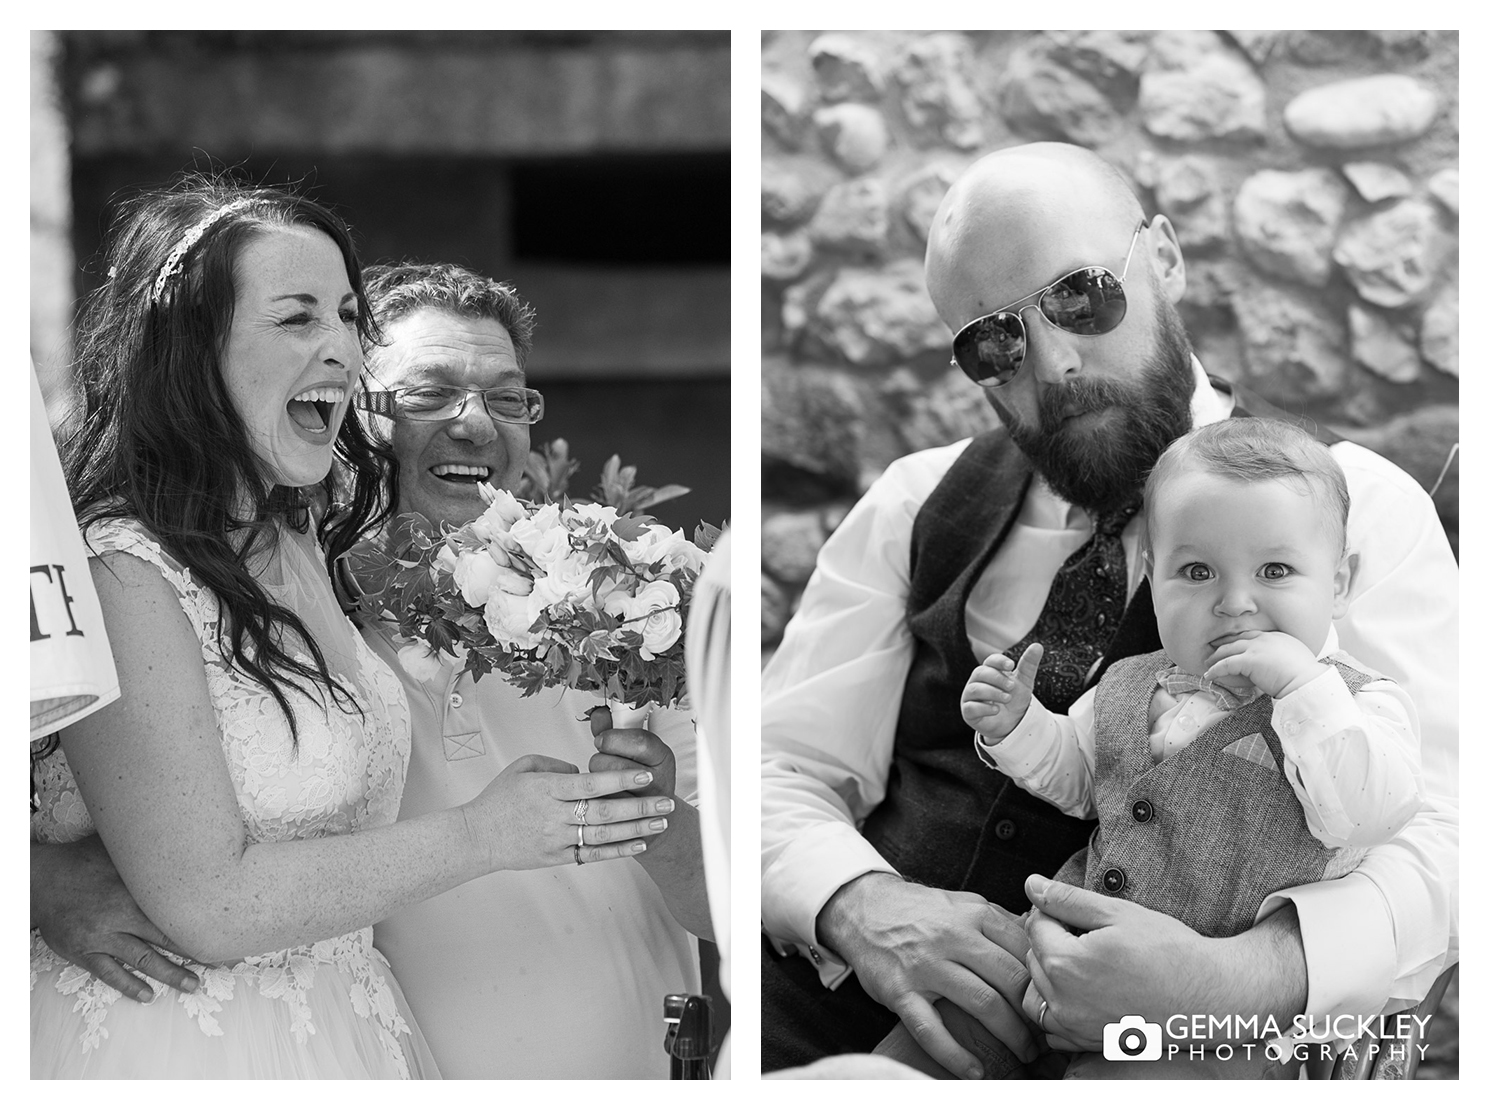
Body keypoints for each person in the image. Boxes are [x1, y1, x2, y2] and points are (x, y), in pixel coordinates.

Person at [760, 142, 1458, 1080]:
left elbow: (1449, 837)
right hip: (815, 1019)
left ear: (1162, 257)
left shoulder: (1350, 506)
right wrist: (855, 902)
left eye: (1080, 296)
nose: (1052, 362)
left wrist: (1230, 983)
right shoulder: (913, 502)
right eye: (992, 342)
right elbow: (776, 765)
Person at [30, 179, 668, 1079]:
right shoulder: (120, 568)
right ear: (188, 348)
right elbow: (207, 901)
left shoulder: (304, 535)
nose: (340, 347)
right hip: (175, 1045)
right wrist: (31, 877)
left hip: (344, 1033)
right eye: (296, 318)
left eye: (345, 315)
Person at [942, 419, 1424, 1077]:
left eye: (1274, 570)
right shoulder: (1129, 684)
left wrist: (1299, 687)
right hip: (1060, 962)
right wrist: (1018, 727)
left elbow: (1371, 813)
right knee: (939, 1038)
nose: (1233, 603)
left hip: (1208, 1030)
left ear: (1337, 584)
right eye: (1196, 571)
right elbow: (1081, 777)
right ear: (1152, 576)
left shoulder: (1355, 707)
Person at [349, 261, 712, 1078]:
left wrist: (649, 813)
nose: (476, 424)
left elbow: (742, 909)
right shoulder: (300, 624)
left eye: (507, 398)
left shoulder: (624, 610)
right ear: (350, 413)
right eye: (427, 392)